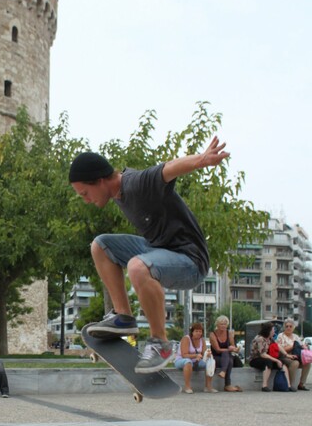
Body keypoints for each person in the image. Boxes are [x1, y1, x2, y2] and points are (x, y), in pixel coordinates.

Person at [69, 136, 229, 373]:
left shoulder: (135, 183)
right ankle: (124, 316)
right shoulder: (117, 195)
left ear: (100, 180)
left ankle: (160, 343)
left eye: (85, 193)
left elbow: (168, 169)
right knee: (100, 245)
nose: (86, 200)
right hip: (159, 250)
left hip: (190, 261)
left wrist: (201, 160)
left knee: (136, 266)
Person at [249, 321, 293, 392]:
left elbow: (278, 346)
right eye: (272, 330)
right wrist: (276, 360)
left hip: (266, 357)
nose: (273, 332)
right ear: (268, 331)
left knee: (283, 364)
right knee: (268, 362)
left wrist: (286, 354)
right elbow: (262, 354)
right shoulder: (260, 339)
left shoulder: (270, 339)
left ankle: (288, 385)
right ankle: (264, 385)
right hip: (255, 359)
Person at [174, 322, 216, 394]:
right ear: (192, 332)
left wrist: (207, 354)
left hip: (196, 361)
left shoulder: (202, 340)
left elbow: (203, 353)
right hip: (181, 360)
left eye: (200, 331)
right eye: (196, 331)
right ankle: (187, 386)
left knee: (210, 361)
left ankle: (208, 386)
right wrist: (196, 355)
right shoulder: (186, 339)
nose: (198, 333)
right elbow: (184, 355)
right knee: (188, 362)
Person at [209, 315, 241, 392]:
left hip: (227, 357)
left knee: (229, 358)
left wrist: (235, 349)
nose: (223, 326)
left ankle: (223, 372)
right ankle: (227, 385)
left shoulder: (229, 333)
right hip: (216, 357)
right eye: (221, 324)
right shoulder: (212, 334)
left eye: (225, 324)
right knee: (228, 358)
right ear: (217, 325)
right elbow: (217, 350)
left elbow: (233, 346)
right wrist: (228, 349)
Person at [277, 318, 309, 391]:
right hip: (285, 357)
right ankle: (291, 385)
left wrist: (304, 347)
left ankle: (301, 384)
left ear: (293, 327)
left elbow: (301, 346)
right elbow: (280, 349)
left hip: (297, 356)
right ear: (284, 327)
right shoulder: (280, 336)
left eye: (290, 326)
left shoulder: (296, 336)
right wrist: (292, 346)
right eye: (287, 326)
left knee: (307, 363)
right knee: (295, 363)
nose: (288, 328)